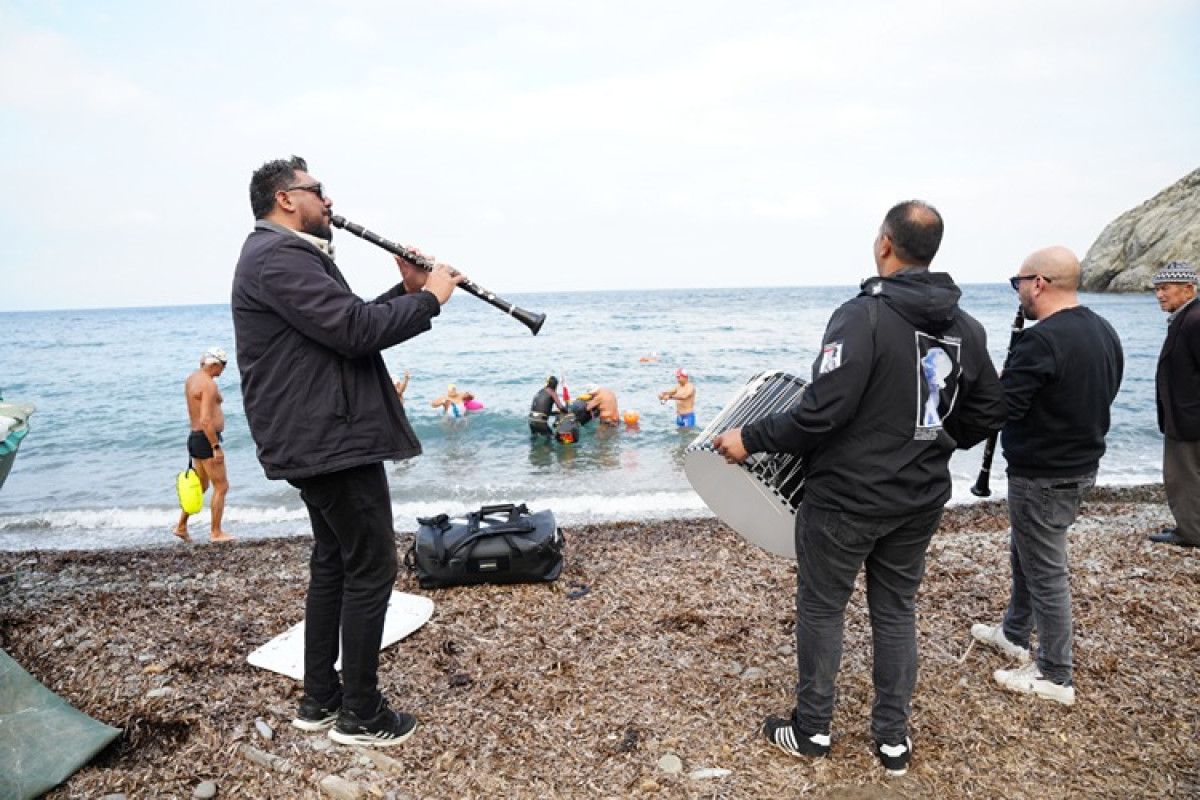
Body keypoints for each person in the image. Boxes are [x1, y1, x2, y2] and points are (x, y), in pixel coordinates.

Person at [711, 200, 1007, 776]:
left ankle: (812, 729)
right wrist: (939, 440)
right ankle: (892, 740)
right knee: (895, 611)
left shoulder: (863, 316)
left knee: (822, 608)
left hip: (846, 499)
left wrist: (751, 437)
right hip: (918, 499)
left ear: (885, 245)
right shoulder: (967, 327)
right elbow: (989, 410)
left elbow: (820, 414)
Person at [232, 156, 461, 748]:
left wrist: (407, 290)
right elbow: (355, 332)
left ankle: (320, 699)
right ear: (286, 199)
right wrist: (430, 299)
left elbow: (343, 326)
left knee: (334, 561)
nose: (328, 202)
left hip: (320, 434)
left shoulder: (281, 256)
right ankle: (362, 713)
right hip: (328, 438)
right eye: (318, 191)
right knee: (372, 566)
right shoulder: (278, 255)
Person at [970, 246, 1123, 707]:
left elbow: (1003, 409)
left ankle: (1055, 672)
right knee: (1027, 549)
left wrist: (988, 388)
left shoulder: (1040, 340)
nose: (1016, 290)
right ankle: (1015, 630)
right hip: (1080, 466)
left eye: (1017, 281)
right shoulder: (1103, 330)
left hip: (1043, 473)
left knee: (1045, 568)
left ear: (1038, 283)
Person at [1147, 261, 1200, 547]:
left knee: (1182, 477)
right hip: (1188, 415)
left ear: (1188, 289)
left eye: (1165, 288)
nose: (1159, 295)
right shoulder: (1188, 317)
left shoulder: (1194, 320)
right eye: (1157, 289)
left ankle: (1191, 533)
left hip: (1189, 418)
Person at [173, 347, 235, 543]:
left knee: (201, 485)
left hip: (195, 437)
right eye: (223, 367)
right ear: (215, 364)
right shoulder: (208, 385)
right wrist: (215, 446)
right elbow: (206, 419)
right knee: (221, 486)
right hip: (206, 438)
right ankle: (216, 532)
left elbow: (204, 403)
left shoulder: (193, 379)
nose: (222, 371)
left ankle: (181, 526)